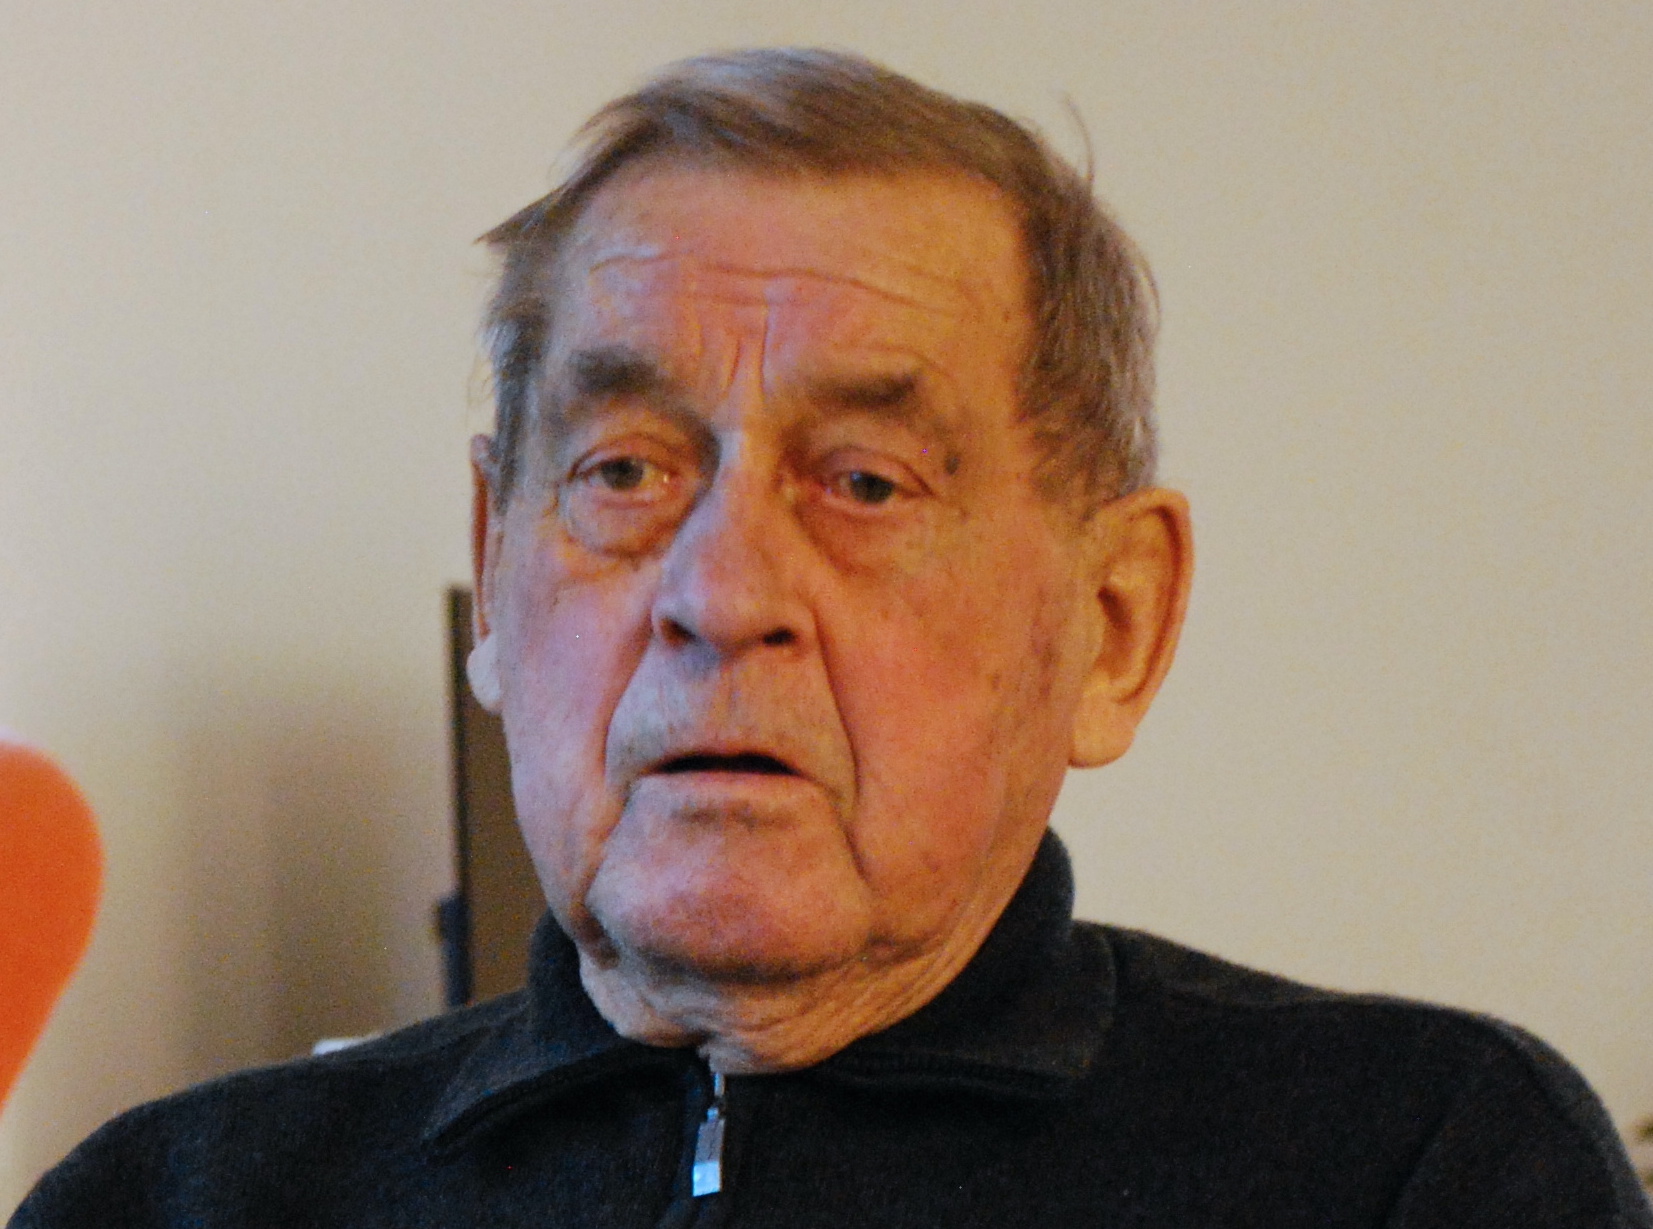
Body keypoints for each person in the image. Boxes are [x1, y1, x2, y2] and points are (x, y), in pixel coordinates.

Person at [13, 48, 1650, 1229]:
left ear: (1112, 622)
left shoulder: (1417, 1161)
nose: (723, 592)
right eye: (624, 473)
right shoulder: (179, 1197)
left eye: (865, 482)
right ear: (493, 576)